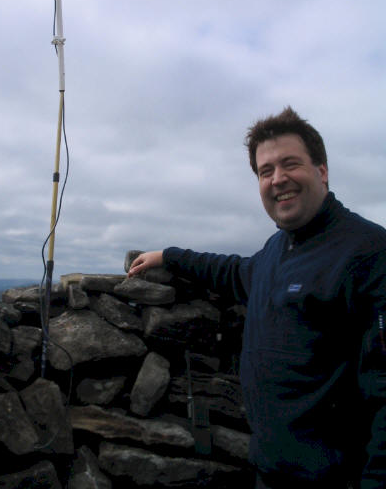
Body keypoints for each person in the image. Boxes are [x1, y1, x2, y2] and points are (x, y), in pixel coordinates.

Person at [128, 107, 386, 489]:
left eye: (290, 164)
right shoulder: (276, 251)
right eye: (266, 171)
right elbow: (232, 270)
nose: (278, 179)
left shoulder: (367, 251)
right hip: (269, 470)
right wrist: (169, 256)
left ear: (322, 171)